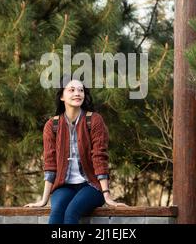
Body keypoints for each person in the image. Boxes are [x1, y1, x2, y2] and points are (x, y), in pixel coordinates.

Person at [25, 75, 127, 224]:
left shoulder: (94, 120)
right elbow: (50, 164)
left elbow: (99, 157)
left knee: (71, 213)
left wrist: (107, 196)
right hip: (63, 186)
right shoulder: (51, 125)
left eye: (80, 90)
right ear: (61, 96)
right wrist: (43, 199)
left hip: (91, 185)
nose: (77, 93)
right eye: (71, 90)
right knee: (56, 213)